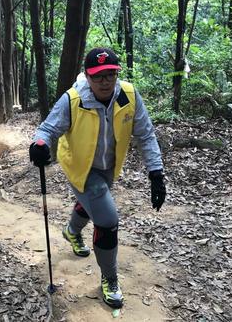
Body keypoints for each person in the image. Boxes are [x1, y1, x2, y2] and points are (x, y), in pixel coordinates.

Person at [29, 47, 166, 309]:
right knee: (107, 219)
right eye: (98, 76)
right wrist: (39, 144)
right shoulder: (73, 99)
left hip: (106, 167)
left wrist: (156, 173)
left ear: (117, 74)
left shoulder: (128, 95)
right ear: (87, 76)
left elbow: (146, 135)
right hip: (79, 166)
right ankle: (110, 278)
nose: (104, 81)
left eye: (110, 74)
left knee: (95, 205)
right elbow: (47, 129)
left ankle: (72, 231)